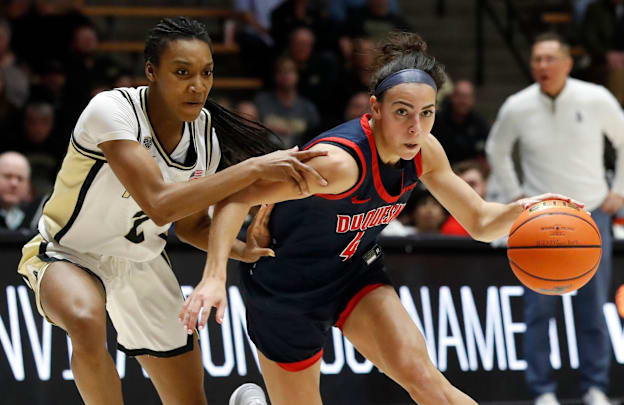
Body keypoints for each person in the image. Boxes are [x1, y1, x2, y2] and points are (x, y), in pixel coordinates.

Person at [180, 31, 579, 405]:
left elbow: (479, 222)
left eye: (427, 113)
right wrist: (215, 275)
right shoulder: (338, 164)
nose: (415, 127)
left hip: (354, 275)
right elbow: (236, 197)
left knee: (430, 384)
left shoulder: (424, 149)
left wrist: (528, 209)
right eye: (402, 112)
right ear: (375, 109)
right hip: (286, 290)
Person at [16, 17, 328, 405]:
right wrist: (253, 168)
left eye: (207, 73)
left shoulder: (205, 135)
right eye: (182, 72)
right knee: (84, 319)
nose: (197, 85)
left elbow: (190, 224)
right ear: (151, 71)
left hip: (141, 262)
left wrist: (240, 248)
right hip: (69, 253)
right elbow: (160, 204)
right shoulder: (111, 111)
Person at [486, 32, 624, 405]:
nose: (542, 66)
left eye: (550, 59)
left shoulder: (595, 97)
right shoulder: (517, 105)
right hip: (540, 219)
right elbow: (496, 148)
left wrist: (618, 189)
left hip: (591, 216)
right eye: (537, 59)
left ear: (568, 63)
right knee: (538, 309)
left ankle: (596, 388)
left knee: (593, 306)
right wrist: (515, 194)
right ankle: (542, 392)